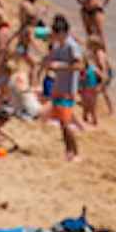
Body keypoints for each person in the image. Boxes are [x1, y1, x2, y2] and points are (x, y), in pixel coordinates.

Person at [44, 16, 84, 162]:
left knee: (67, 124)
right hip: (58, 88)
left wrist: (61, 66)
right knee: (62, 124)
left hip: (68, 90)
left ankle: (76, 152)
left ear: (62, 32)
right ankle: (68, 151)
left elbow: (79, 65)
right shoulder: (57, 45)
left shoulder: (72, 46)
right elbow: (50, 59)